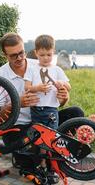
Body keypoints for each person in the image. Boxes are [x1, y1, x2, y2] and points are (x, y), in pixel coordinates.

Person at [0, 32, 84, 183]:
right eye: (13, 55)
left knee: (76, 113)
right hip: (20, 128)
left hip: (45, 118)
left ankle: (55, 157)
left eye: (21, 52)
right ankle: (41, 160)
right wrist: (17, 104)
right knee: (29, 162)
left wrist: (64, 98)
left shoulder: (41, 63)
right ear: (5, 55)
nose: (19, 58)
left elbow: (58, 103)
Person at [24, 34, 71, 170]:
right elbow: (27, 87)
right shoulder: (32, 69)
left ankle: (51, 165)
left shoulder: (57, 70)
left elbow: (69, 86)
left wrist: (61, 84)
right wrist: (37, 88)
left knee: (52, 137)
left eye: (49, 55)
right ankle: (39, 163)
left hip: (51, 110)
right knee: (37, 138)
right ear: (36, 52)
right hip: (36, 110)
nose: (46, 58)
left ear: (53, 53)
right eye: (42, 55)